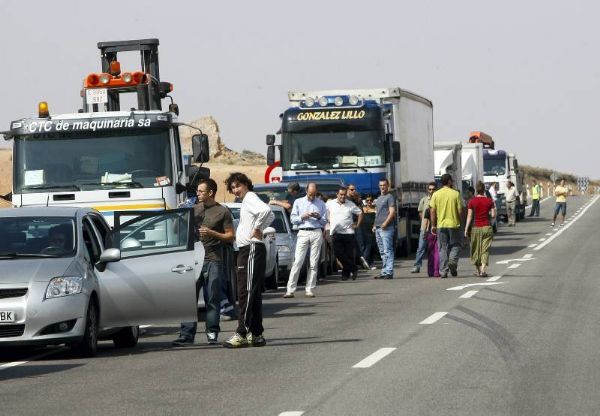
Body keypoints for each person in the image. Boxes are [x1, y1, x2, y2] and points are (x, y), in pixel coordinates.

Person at [173, 179, 234, 346]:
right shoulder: (193, 209)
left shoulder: (222, 211)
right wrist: (179, 215)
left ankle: (212, 333)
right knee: (188, 298)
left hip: (214, 260)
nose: (197, 194)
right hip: (194, 260)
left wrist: (212, 233)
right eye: (197, 191)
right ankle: (186, 335)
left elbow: (230, 236)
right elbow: (176, 232)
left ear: (210, 193)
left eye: (200, 191)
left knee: (212, 299)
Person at [223, 172, 274, 348]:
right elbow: (271, 216)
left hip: (251, 248)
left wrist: (258, 228)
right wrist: (259, 227)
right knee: (252, 292)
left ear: (246, 184)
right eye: (233, 188)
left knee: (245, 291)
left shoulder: (250, 197)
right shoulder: (246, 200)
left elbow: (267, 211)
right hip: (248, 249)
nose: (236, 190)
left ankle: (241, 333)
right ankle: (257, 333)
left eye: (238, 186)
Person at [283, 183, 327, 298]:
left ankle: (310, 289)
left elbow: (324, 221)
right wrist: (303, 216)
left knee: (313, 262)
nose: (312, 197)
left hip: (316, 231)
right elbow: (293, 219)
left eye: (314, 194)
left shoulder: (321, 203)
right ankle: (290, 289)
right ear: (306, 191)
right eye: (310, 194)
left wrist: (318, 217)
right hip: (302, 231)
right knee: (298, 261)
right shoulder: (298, 202)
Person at [430, 173, 463, 278]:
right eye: (451, 180)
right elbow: (460, 210)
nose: (452, 182)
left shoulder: (436, 194)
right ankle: (452, 262)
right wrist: (461, 222)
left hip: (441, 225)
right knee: (456, 245)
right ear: (449, 181)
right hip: (454, 224)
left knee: (442, 248)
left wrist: (433, 225)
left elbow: (432, 210)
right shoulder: (456, 194)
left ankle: (443, 271)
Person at [327, 186, 363, 280]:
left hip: (348, 233)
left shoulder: (350, 204)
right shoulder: (330, 203)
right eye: (341, 195)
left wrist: (357, 224)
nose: (343, 197)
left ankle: (345, 274)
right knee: (338, 253)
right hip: (336, 232)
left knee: (348, 255)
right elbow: (324, 212)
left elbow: (360, 213)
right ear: (337, 194)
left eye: (344, 195)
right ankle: (353, 268)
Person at [465, 181, 496, 277]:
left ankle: (478, 270)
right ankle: (483, 269)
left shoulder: (472, 202)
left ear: (476, 190)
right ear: (484, 190)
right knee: (485, 250)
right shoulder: (489, 201)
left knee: (475, 250)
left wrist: (466, 229)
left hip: (476, 228)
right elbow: (493, 215)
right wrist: (489, 214)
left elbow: (469, 216)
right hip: (487, 227)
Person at [373, 179, 396, 279]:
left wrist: (385, 223)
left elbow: (392, 212)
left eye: (384, 185)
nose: (382, 187)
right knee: (382, 251)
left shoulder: (390, 197)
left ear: (388, 186)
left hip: (386, 228)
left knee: (388, 250)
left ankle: (389, 272)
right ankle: (384, 271)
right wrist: (374, 225)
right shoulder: (378, 198)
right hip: (378, 228)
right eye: (380, 185)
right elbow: (377, 213)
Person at [412, 182, 436, 273]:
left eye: (433, 189)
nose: (431, 191)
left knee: (435, 249)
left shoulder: (438, 199)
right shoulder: (424, 200)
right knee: (421, 247)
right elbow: (421, 213)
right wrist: (425, 222)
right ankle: (417, 266)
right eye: (429, 189)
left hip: (435, 228)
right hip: (424, 228)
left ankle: (436, 266)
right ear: (427, 190)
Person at [347, 184, 371, 269]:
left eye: (354, 189)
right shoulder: (348, 200)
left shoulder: (354, 199)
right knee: (362, 244)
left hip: (359, 223)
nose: (354, 191)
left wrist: (359, 201)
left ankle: (364, 261)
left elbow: (361, 210)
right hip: (355, 223)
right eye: (351, 189)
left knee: (366, 243)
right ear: (347, 190)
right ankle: (363, 262)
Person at [423, 199, 440, 277]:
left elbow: (425, 222)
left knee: (430, 253)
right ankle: (436, 271)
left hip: (430, 232)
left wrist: (424, 232)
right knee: (437, 252)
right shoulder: (440, 209)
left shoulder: (427, 210)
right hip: (439, 231)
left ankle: (430, 272)